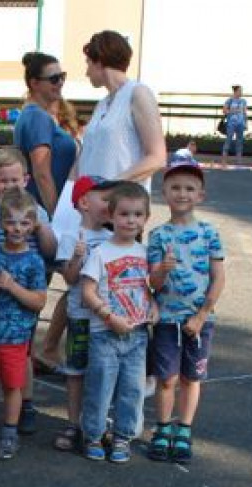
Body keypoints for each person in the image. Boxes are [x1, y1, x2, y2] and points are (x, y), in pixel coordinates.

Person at [145, 157, 226, 464]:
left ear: (200, 195)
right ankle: (163, 427)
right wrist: (162, 270)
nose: (182, 193)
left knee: (192, 378)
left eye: (189, 188)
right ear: (164, 193)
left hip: (199, 321)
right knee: (167, 378)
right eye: (175, 187)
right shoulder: (158, 236)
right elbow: (151, 283)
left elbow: (218, 278)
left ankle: (184, 429)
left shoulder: (209, 233)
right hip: (167, 319)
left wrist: (202, 314)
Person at [79, 182, 153, 463]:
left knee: (132, 390)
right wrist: (108, 316)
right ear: (111, 216)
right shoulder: (101, 252)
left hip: (137, 335)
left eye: (136, 214)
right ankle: (94, 436)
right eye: (124, 214)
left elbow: (150, 288)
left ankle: (122, 437)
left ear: (146, 218)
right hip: (105, 335)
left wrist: (154, 306)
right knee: (100, 387)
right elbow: (87, 291)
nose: (130, 220)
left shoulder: (146, 253)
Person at [0, 146, 57, 433]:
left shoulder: (33, 211)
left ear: (25, 179)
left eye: (14, 180)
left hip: (26, 285)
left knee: (22, 352)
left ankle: (24, 403)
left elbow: (51, 252)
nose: (9, 186)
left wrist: (40, 228)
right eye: (3, 181)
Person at [52, 175, 118, 452]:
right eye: (105, 199)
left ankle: (101, 422)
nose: (111, 204)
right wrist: (78, 256)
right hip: (80, 316)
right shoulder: (71, 237)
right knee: (76, 371)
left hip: (105, 319)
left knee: (105, 372)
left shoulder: (114, 237)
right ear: (83, 202)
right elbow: (68, 279)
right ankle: (73, 423)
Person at [0, 188, 48, 459]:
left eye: (23, 223)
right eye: (10, 222)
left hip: (16, 336)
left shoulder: (34, 260)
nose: (17, 229)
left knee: (13, 386)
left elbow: (40, 301)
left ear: (33, 224)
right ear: (0, 222)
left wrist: (12, 287)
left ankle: (10, 431)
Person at [78, 31, 166, 192]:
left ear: (99, 62)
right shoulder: (102, 104)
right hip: (91, 206)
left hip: (122, 205)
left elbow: (157, 158)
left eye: (88, 63)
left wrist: (111, 185)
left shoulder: (139, 94)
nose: (86, 72)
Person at [14, 52, 77, 216]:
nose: (61, 83)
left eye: (62, 76)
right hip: (43, 210)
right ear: (34, 83)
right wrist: (56, 216)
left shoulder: (32, 114)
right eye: (54, 79)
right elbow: (42, 174)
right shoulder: (37, 117)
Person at [220, 85, 248, 168]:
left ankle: (239, 159)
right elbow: (224, 111)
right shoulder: (229, 100)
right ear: (235, 91)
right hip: (231, 123)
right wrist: (233, 110)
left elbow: (245, 112)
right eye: (239, 91)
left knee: (239, 141)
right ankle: (224, 159)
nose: (241, 92)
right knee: (228, 140)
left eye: (241, 91)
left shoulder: (243, 101)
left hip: (240, 123)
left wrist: (246, 123)